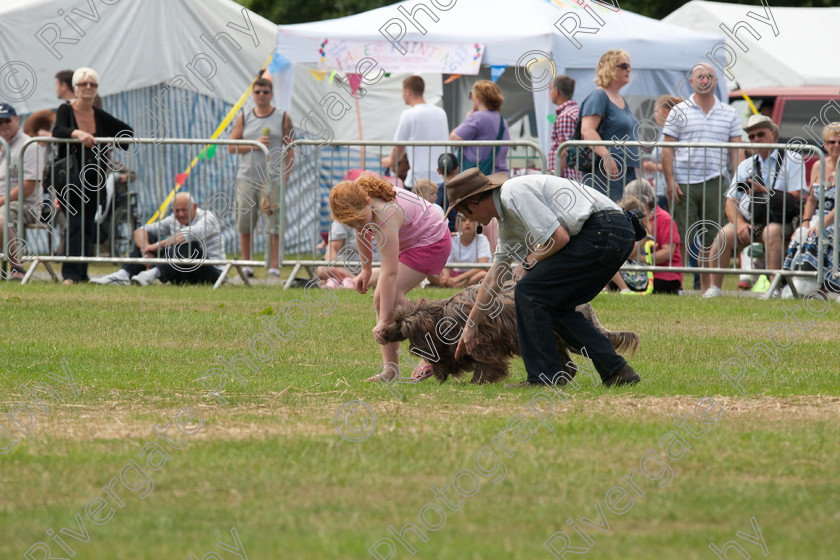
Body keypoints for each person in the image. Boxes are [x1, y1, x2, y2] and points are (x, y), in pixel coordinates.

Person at [446, 168, 643, 388]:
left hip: (604, 230)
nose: (465, 219)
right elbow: (494, 277)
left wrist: (528, 263)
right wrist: (471, 325)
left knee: (529, 292)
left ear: (473, 204)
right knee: (556, 306)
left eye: (463, 213)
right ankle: (617, 371)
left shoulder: (512, 193)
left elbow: (558, 237)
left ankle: (543, 377)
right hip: (615, 233)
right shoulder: (508, 221)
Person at [329, 174, 451, 383]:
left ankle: (437, 344)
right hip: (415, 241)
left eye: (358, 220)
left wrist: (385, 319)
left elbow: (389, 273)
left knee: (389, 299)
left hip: (432, 241)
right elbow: (362, 232)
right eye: (351, 224)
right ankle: (392, 369)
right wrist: (366, 270)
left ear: (367, 203)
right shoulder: (362, 204)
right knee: (386, 300)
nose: (357, 226)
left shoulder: (386, 213)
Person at [662, 63, 743, 294]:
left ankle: (709, 289)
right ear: (691, 81)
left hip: (716, 180)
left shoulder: (729, 112)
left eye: (709, 76)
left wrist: (739, 184)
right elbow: (667, 149)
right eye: (700, 76)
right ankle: (675, 284)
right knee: (679, 237)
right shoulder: (679, 111)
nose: (705, 80)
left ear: (716, 81)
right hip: (684, 182)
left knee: (712, 237)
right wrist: (670, 181)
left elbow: (738, 150)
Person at [704, 115, 806, 299]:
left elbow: (796, 197)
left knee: (772, 232)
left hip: (783, 220)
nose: (756, 139)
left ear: (773, 133)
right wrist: (741, 223)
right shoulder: (746, 165)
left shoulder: (793, 159)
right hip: (753, 221)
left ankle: (774, 288)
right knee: (723, 235)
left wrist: (765, 191)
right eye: (751, 137)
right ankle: (715, 289)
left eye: (760, 134)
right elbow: (731, 201)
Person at [51, 67, 134, 285]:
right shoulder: (65, 110)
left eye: (93, 84)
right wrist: (77, 133)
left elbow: (126, 133)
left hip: (94, 178)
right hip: (70, 178)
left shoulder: (100, 115)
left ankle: (83, 273)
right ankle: (70, 274)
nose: (88, 88)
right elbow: (57, 131)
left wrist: (109, 142)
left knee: (88, 225)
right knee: (75, 224)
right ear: (75, 88)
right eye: (84, 84)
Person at [228, 77, 293, 282]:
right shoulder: (244, 117)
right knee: (245, 224)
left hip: (272, 180)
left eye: (265, 91)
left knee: (273, 224)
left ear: (272, 94)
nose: (261, 95)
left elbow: (291, 149)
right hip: (247, 178)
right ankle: (247, 267)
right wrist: (253, 145)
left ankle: (273, 268)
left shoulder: (283, 117)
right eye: (257, 92)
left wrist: (286, 176)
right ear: (253, 94)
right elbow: (232, 147)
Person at [90, 193, 224, 286]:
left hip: (211, 273)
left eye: (184, 210)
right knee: (149, 235)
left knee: (187, 244)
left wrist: (153, 247)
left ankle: (154, 273)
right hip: (182, 273)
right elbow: (140, 231)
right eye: (176, 211)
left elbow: (186, 235)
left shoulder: (208, 217)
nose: (180, 214)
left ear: (194, 206)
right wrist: (145, 249)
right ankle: (123, 274)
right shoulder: (173, 219)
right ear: (172, 210)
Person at [579, 49, 640, 202]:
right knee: (608, 217)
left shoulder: (619, 98)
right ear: (610, 68)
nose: (629, 69)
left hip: (624, 169)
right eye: (624, 66)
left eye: (629, 66)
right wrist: (606, 155)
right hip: (605, 170)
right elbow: (587, 130)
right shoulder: (599, 95)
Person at [381, 76, 449, 189]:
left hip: (419, 180)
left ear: (408, 92)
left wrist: (391, 163)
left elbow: (398, 148)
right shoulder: (441, 112)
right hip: (441, 177)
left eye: (402, 92)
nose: (402, 95)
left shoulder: (409, 114)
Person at [0, 103, 44, 280]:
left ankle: (17, 268)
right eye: (0, 121)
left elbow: (28, 187)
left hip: (26, 204)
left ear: (17, 120)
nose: (3, 125)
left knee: (0, 218)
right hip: (4, 202)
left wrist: (1, 200)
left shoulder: (29, 145)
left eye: (7, 120)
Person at [624, 178, 683, 294]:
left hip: (665, 274)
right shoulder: (633, 218)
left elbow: (668, 252)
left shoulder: (664, 219)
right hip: (638, 273)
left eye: (630, 199)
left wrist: (642, 259)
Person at [450, 80, 510, 175]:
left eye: (471, 95)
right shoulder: (502, 121)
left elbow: (454, 139)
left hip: (478, 177)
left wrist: (467, 119)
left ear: (479, 98)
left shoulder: (477, 117)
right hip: (499, 174)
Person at [641, 95, 682, 210]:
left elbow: (676, 164)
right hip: (661, 188)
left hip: (668, 189)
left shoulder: (674, 135)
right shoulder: (663, 134)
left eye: (656, 111)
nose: (654, 115)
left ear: (665, 112)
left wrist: (652, 166)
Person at [316, 220, 380, 289]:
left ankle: (346, 283)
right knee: (323, 269)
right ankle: (348, 282)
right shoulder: (343, 219)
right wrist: (339, 269)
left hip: (374, 270)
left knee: (381, 272)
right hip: (345, 270)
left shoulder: (384, 218)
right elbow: (332, 249)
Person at [434, 215, 490, 288]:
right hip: (456, 273)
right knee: (432, 273)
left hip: (473, 274)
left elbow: (482, 266)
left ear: (477, 223)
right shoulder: (453, 239)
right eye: (463, 220)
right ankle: (456, 284)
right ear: (458, 223)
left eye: (471, 220)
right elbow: (448, 265)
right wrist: (446, 276)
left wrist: (458, 279)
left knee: (483, 275)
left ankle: (455, 285)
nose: (467, 223)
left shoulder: (482, 239)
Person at [547, 75, 582, 181]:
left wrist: (555, 173)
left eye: (551, 89)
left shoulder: (565, 116)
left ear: (556, 91)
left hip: (565, 177)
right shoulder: (575, 111)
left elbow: (563, 150)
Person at [435, 153, 460, 232]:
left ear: (438, 171)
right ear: (457, 169)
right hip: (462, 235)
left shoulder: (436, 190)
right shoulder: (466, 187)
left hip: (443, 233)